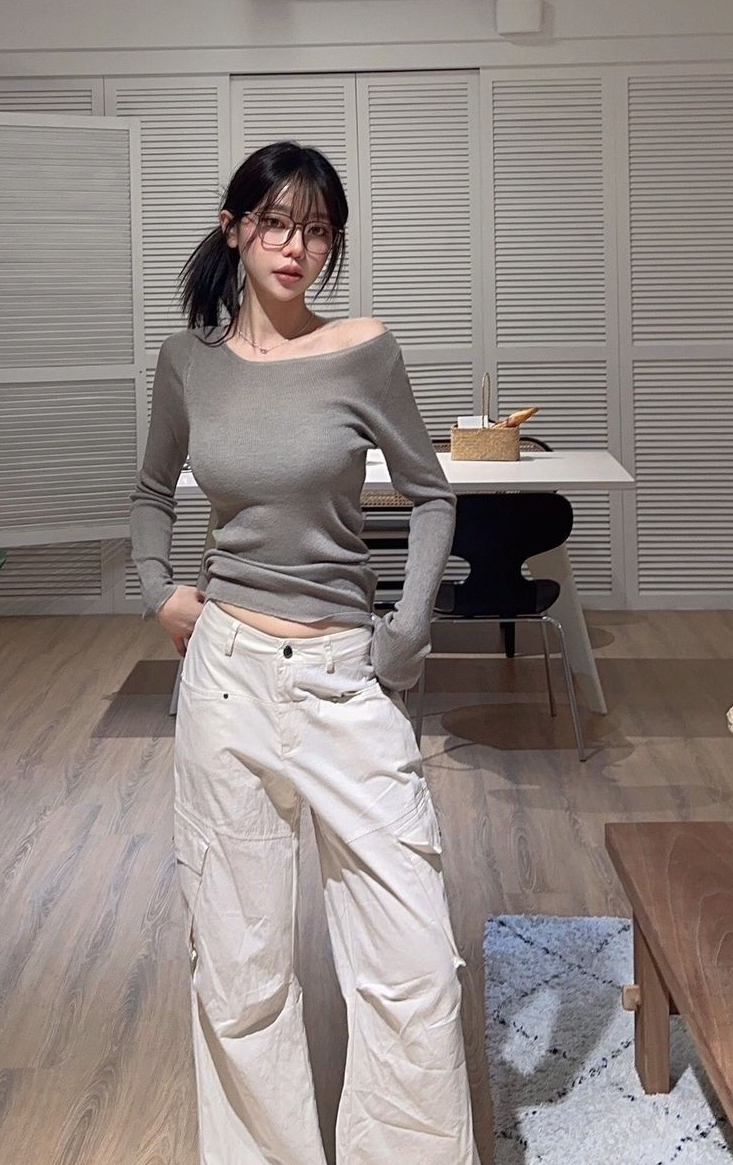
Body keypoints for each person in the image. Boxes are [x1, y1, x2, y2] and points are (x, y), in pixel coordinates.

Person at [129, 141, 479, 1164]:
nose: (297, 247)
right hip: (228, 681)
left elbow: (431, 492)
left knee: (414, 965)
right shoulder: (187, 363)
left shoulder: (362, 350)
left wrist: (407, 625)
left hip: (343, 680)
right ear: (234, 227)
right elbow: (150, 491)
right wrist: (159, 590)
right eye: (277, 222)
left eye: (318, 230)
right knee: (239, 973)